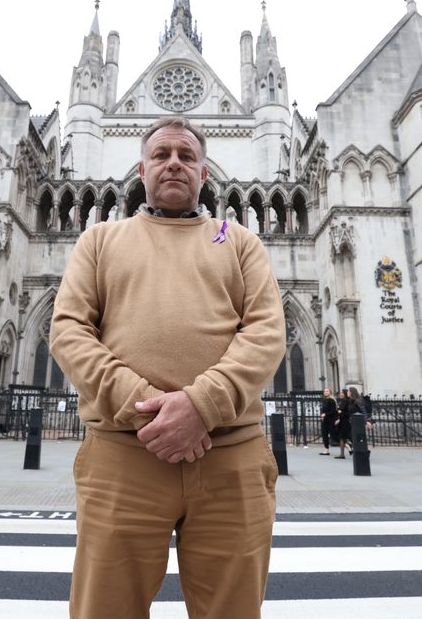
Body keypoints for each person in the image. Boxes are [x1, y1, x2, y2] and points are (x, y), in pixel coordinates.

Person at [50, 116, 286, 619]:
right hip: (123, 454)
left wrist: (203, 405)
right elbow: (68, 332)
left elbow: (267, 333)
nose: (174, 163)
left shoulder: (240, 240)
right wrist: (148, 411)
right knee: (104, 609)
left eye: (186, 156)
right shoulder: (99, 240)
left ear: (205, 173)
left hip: (230, 458)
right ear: (142, 170)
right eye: (161, 155)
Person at [319, 388, 339, 456]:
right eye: (325, 391)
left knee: (334, 435)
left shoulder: (332, 400)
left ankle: (348, 445)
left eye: (327, 391)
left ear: (330, 392)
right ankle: (326, 450)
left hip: (331, 420)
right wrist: (322, 414)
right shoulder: (325, 400)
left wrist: (325, 414)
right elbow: (323, 409)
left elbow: (334, 411)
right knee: (324, 434)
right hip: (325, 420)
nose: (326, 392)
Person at [334, 388, 350, 459]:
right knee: (341, 438)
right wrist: (338, 418)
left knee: (345, 437)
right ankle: (342, 454)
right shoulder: (341, 401)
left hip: (346, 422)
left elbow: (348, 412)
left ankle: (344, 453)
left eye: (342, 393)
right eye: (340, 393)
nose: (341, 394)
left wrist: (341, 412)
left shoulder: (348, 401)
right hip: (341, 421)